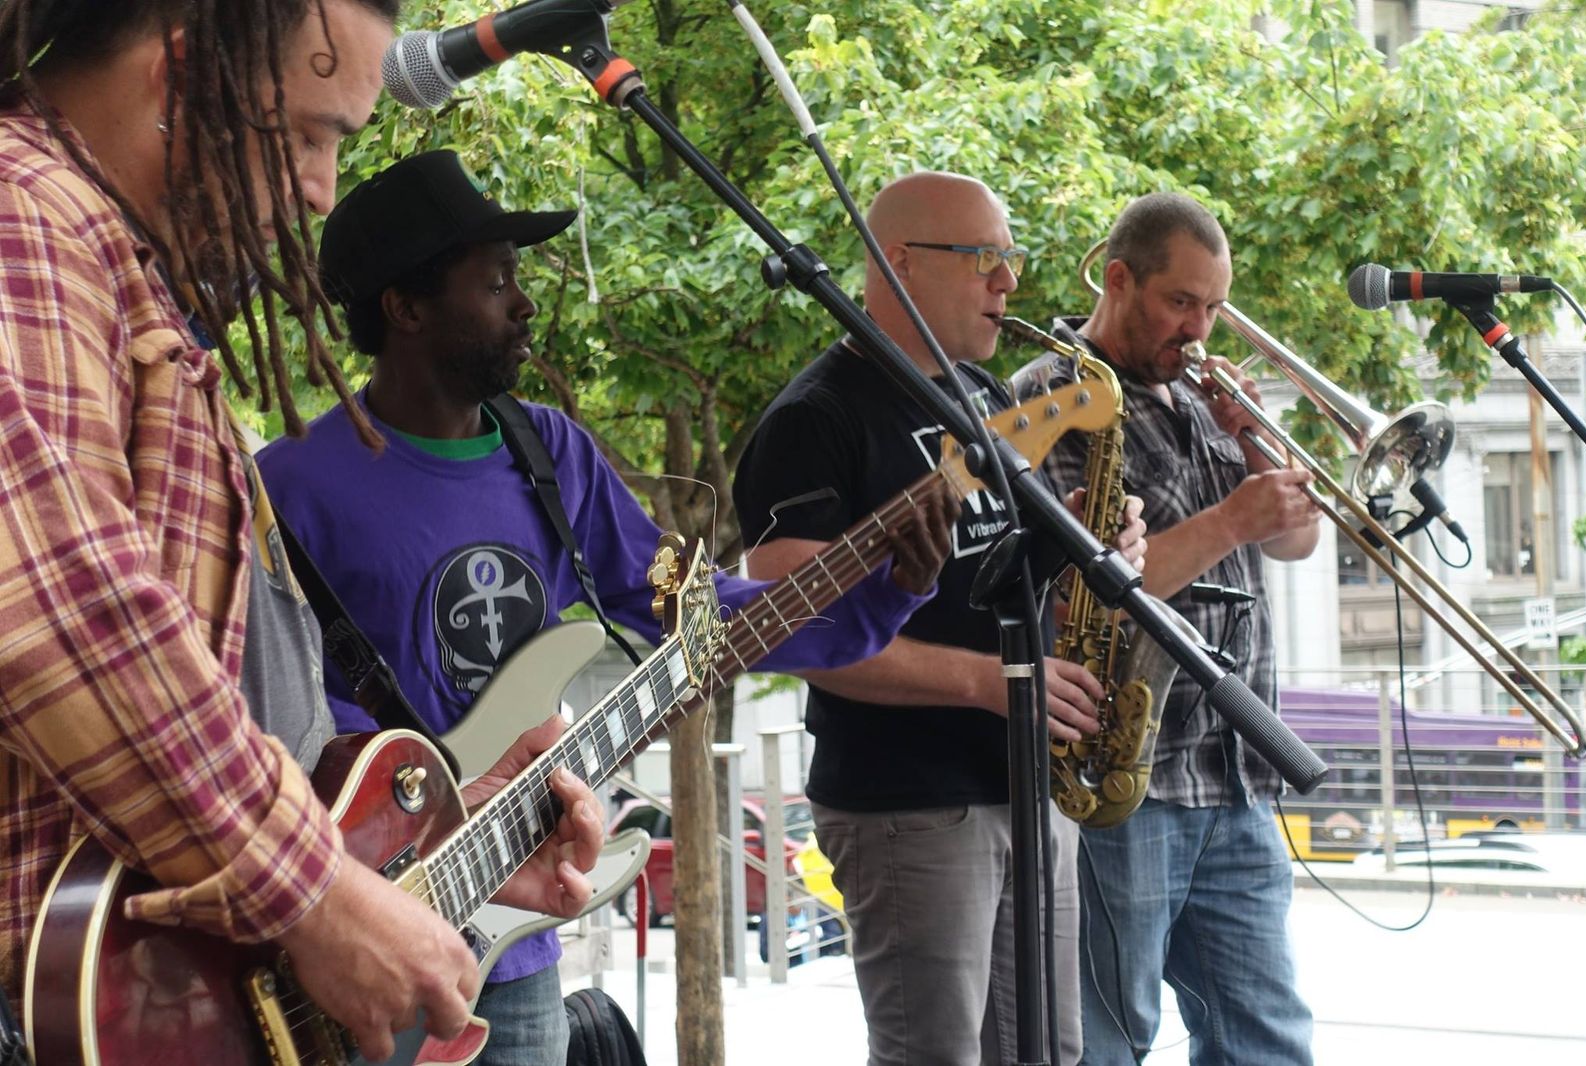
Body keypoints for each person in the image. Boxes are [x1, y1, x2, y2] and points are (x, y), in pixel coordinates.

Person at [256, 149, 956, 1066]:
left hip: (517, 946)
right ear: (406, 308)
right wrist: (406, 818)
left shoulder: (552, 452)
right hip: (363, 934)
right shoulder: (287, 485)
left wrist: (882, 588)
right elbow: (269, 705)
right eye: (495, 282)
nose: (524, 304)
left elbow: (697, 613)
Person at [0, 5, 602, 1063]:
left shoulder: (117, 277)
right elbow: (57, 613)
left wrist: (419, 852)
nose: (322, 189)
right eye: (312, 134)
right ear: (186, 74)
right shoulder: (23, 221)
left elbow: (199, 704)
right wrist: (316, 891)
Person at [732, 171, 1147, 1066]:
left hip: (1029, 786)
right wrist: (987, 685)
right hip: (910, 803)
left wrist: (1091, 547)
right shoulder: (813, 419)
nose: (1008, 281)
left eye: (1010, 257)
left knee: (1051, 1052)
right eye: (984, 257)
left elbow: (998, 575)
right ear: (902, 262)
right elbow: (790, 630)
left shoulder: (983, 394)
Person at [1012, 191, 1321, 1065]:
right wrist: (1229, 518)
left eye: (1214, 307)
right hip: (1127, 777)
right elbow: (1083, 589)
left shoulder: (1198, 394)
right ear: (1118, 280)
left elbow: (1298, 540)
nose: (1200, 329)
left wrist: (1255, 449)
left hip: (1235, 772)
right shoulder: (1048, 398)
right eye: (1181, 302)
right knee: (1108, 1042)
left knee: (1267, 1042)